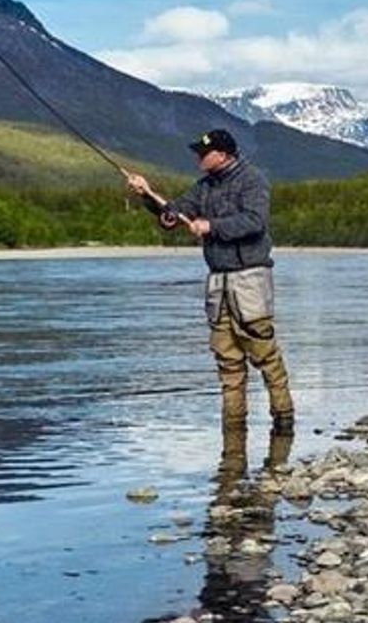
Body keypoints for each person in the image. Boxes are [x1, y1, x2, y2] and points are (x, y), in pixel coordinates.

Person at [126, 129, 296, 434]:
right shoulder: (204, 186)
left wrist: (211, 226)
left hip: (250, 278)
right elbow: (176, 212)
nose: (198, 158)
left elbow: (255, 222)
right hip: (218, 282)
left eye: (204, 153)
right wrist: (148, 197)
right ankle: (233, 431)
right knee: (227, 361)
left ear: (223, 154)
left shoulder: (253, 180)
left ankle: (284, 422)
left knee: (265, 354)